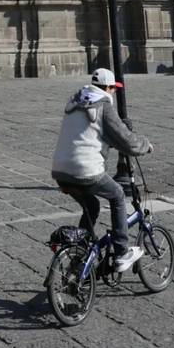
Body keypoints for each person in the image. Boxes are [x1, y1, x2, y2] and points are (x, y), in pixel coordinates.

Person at [50, 67, 153, 272]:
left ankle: (79, 254)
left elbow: (88, 134)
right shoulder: (104, 105)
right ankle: (122, 252)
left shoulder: (74, 101)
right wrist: (145, 145)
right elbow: (127, 140)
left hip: (60, 170)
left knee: (92, 206)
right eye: (113, 89)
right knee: (116, 195)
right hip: (84, 170)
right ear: (107, 87)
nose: (114, 92)